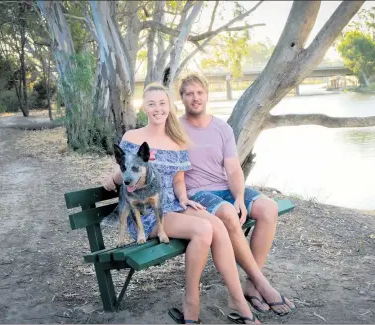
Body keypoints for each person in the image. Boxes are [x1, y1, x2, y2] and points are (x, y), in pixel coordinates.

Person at [103, 82, 259, 324]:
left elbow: (178, 179)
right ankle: (191, 301)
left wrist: (185, 199)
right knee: (203, 229)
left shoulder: (177, 140)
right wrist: (113, 178)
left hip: (174, 206)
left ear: (169, 106)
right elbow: (121, 172)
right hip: (147, 212)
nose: (158, 109)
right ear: (144, 107)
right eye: (152, 104)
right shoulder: (132, 138)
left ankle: (237, 299)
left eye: (162, 103)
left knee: (217, 225)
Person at [178, 73, 296, 315]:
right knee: (229, 213)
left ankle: (251, 286)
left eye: (199, 92)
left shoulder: (222, 128)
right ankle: (262, 282)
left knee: (268, 207)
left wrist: (240, 197)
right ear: (182, 98)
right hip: (197, 193)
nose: (195, 98)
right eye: (189, 93)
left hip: (224, 188)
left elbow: (232, 168)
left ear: (207, 95)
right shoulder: (175, 129)